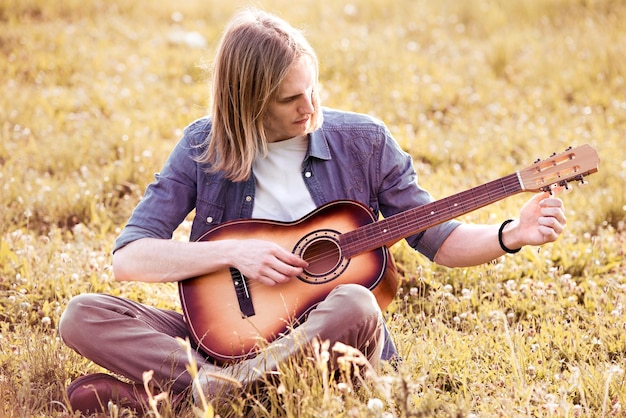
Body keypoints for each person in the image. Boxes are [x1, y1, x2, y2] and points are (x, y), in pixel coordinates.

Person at [58, 7, 567, 415]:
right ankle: (229, 391)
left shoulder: (364, 141)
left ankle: (202, 393)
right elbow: (130, 257)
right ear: (247, 102)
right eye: (290, 99)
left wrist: (511, 233)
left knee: (356, 303)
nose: (310, 107)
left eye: (313, 88)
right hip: (224, 335)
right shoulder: (202, 147)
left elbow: (439, 239)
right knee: (83, 314)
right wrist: (235, 254)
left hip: (329, 349)